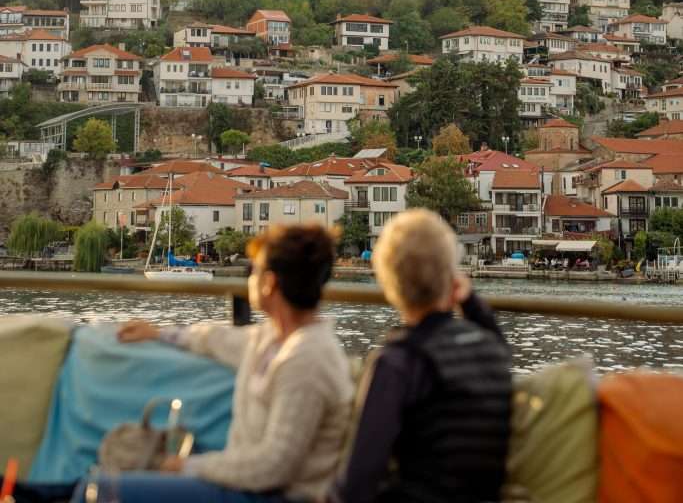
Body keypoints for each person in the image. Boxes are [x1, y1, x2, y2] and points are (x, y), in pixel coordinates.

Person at [72, 224, 353, 503]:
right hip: (249, 486)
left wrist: (187, 467)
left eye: (252, 271)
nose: (248, 280)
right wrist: (159, 333)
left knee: (95, 490)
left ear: (269, 283)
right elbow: (218, 340)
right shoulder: (274, 339)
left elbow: (274, 466)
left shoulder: (306, 359)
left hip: (273, 495)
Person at [330, 209, 512, 503]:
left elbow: (359, 480)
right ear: (452, 277)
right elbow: (494, 336)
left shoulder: (398, 362)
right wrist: (468, 299)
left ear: (389, 284)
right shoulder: (490, 349)